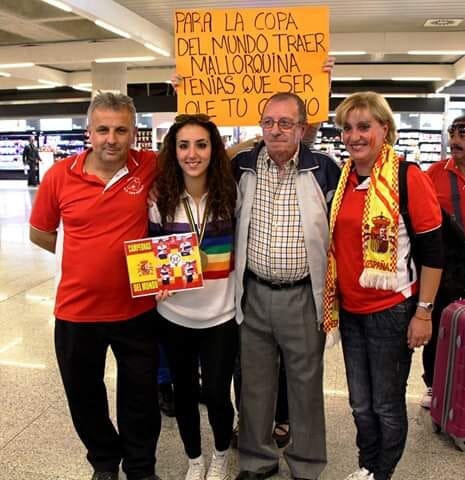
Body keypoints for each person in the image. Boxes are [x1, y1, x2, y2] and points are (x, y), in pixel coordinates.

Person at [29, 92, 161, 480]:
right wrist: (82, 256)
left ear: (133, 133)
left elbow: (203, 157)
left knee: (140, 397)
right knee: (83, 394)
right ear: (89, 131)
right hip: (77, 310)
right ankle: (104, 461)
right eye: (103, 129)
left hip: (137, 310)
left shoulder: (149, 165)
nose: (111, 139)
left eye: (121, 130)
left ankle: (140, 467)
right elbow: (40, 232)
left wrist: (258, 140)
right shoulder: (60, 175)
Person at [323, 91, 443, 480]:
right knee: (360, 404)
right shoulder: (344, 178)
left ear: (385, 129)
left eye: (364, 126)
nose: (354, 136)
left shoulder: (408, 178)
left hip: (392, 311)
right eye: (347, 128)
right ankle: (367, 465)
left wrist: (424, 313)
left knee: (386, 405)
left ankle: (381, 472)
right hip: (350, 311)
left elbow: (433, 252)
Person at [232, 91, 341, 480]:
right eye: (268, 122)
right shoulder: (242, 166)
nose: (275, 130)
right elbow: (198, 171)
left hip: (303, 295)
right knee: (254, 384)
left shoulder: (324, 169)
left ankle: (306, 464)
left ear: (302, 128)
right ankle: (256, 460)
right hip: (254, 292)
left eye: (285, 123)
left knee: (305, 385)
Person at [149, 113, 237, 480]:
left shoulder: (231, 194)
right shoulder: (160, 199)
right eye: (183, 145)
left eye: (201, 145)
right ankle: (195, 458)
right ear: (173, 151)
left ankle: (220, 454)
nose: (192, 154)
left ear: (214, 150)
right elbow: (151, 253)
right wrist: (156, 281)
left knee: (216, 394)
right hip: (174, 315)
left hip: (221, 315)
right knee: (183, 393)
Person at [422, 115, 465, 408]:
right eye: (452, 133)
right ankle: (433, 384)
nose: (454, 141)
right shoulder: (434, 173)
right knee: (439, 326)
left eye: (462, 134)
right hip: (447, 268)